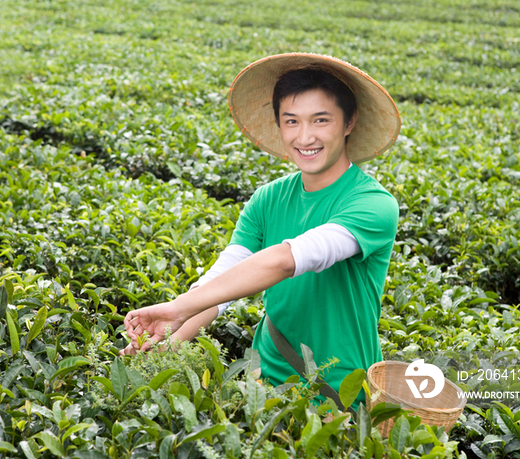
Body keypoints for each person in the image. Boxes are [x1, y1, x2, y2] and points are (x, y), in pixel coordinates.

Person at [121, 53, 400, 406]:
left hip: (338, 395)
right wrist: (169, 334)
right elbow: (223, 281)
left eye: (321, 120)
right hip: (263, 391)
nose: (305, 136)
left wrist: (179, 308)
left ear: (349, 122)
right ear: (279, 125)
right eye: (292, 121)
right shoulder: (267, 199)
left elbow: (290, 259)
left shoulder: (373, 204)